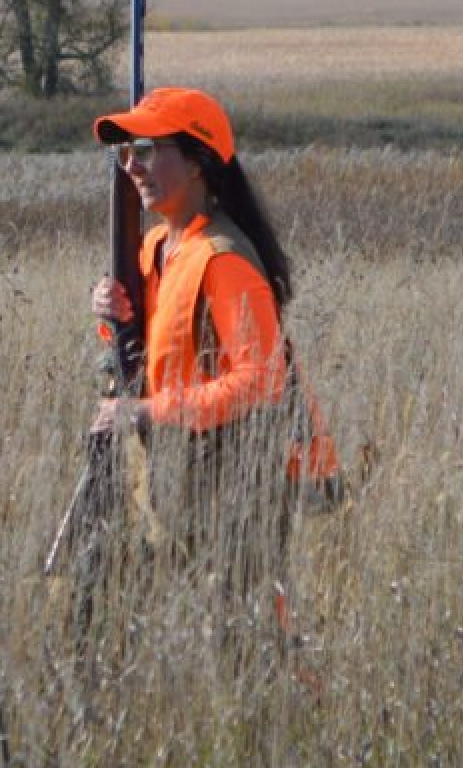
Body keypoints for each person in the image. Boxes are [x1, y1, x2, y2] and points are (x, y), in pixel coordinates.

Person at [84, 86, 308, 646]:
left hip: (234, 495)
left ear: (199, 160)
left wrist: (144, 410)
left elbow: (262, 382)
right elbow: (156, 350)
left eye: (150, 149)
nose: (134, 166)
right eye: (128, 153)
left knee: (249, 649)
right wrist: (111, 318)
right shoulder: (160, 246)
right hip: (183, 484)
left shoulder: (225, 260)